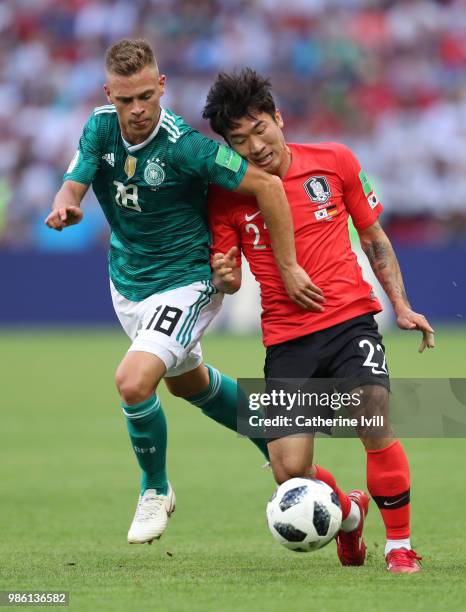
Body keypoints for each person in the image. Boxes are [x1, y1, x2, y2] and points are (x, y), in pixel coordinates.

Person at [45, 40, 324, 546]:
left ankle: (156, 489)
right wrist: (65, 206)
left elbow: (266, 185)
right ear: (109, 94)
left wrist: (287, 265)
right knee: (187, 384)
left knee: (133, 382)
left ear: (162, 87)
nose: (137, 110)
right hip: (129, 283)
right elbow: (74, 182)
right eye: (126, 99)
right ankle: (284, 455)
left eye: (146, 97)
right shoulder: (99, 126)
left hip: (189, 279)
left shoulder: (187, 147)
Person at [204, 68, 435, 574]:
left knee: (374, 423)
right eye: (239, 140)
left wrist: (401, 305)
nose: (255, 146)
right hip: (287, 341)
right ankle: (349, 514)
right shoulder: (225, 197)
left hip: (349, 323)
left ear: (278, 117)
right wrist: (223, 274)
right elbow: (232, 281)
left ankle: (400, 547)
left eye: (260, 128)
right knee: (290, 472)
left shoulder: (335, 161)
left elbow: (374, 238)